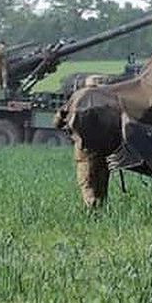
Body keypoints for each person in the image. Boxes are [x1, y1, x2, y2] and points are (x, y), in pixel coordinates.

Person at [54, 75, 110, 209]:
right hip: (104, 149)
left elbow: (58, 121)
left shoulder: (78, 96)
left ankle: (91, 212)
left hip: (83, 149)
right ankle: (102, 212)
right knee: (101, 185)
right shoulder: (108, 98)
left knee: (86, 184)